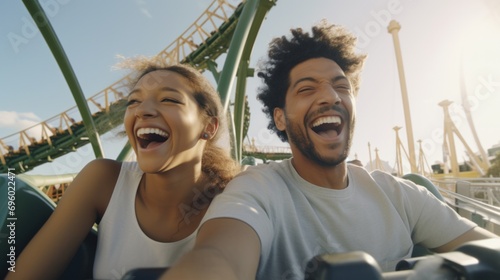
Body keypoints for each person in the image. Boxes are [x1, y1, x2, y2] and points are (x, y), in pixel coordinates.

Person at [162, 21, 498, 280]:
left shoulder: (399, 194)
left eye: (342, 87)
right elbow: (220, 256)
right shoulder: (256, 190)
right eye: (307, 88)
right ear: (280, 117)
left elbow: (487, 247)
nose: (331, 97)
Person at [6, 59, 239, 279]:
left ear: (208, 126)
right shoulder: (103, 180)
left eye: (169, 100)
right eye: (133, 102)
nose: (141, 110)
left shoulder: (236, 197)